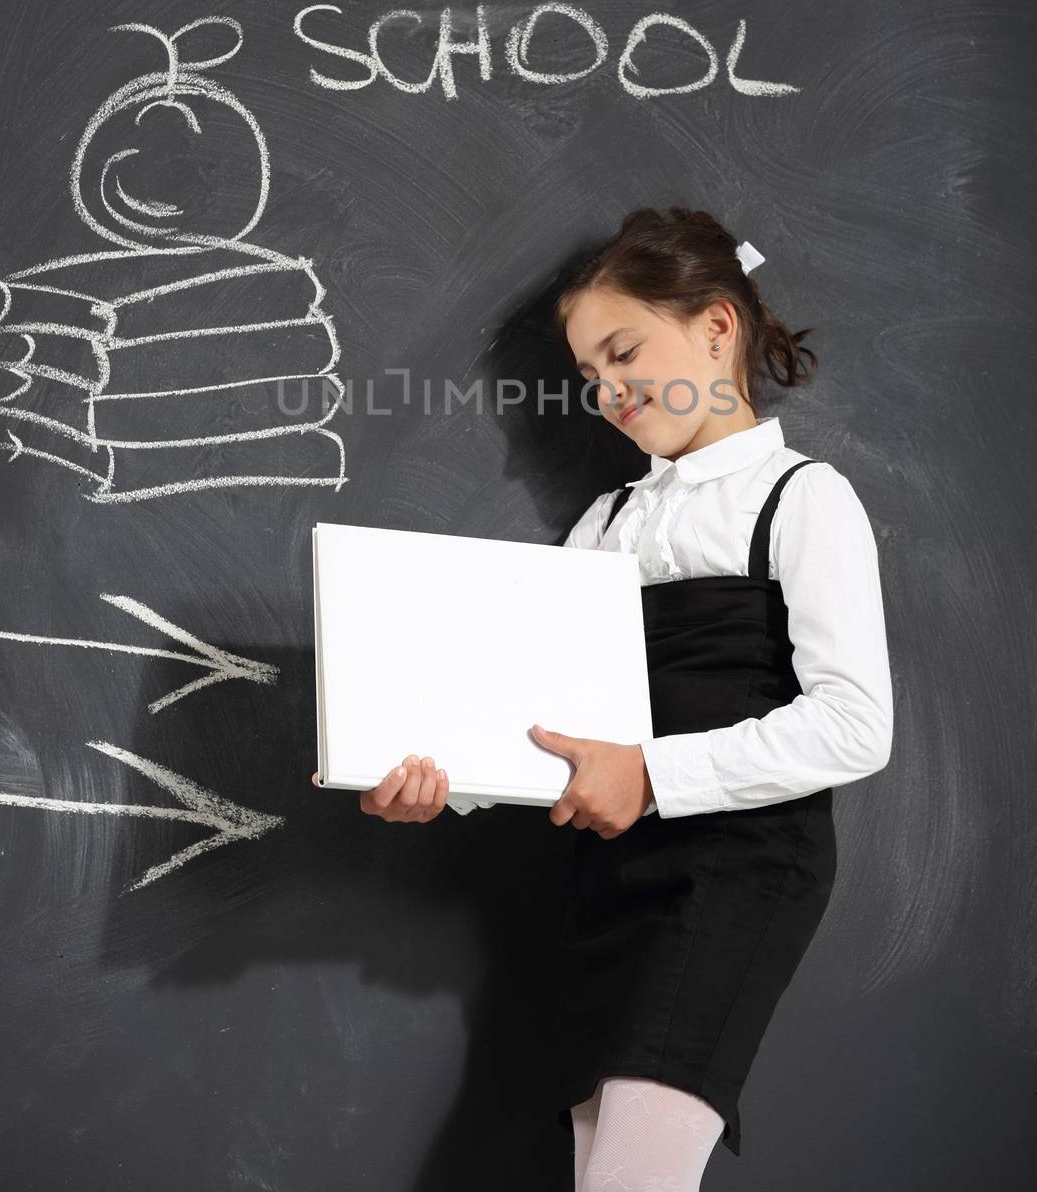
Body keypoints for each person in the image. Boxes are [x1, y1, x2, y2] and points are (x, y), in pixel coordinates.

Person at [315, 205, 894, 1190]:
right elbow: (535, 711)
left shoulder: (801, 499)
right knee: (604, 1168)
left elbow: (853, 726)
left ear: (716, 326)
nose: (608, 393)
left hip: (735, 869)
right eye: (588, 377)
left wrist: (650, 773)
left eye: (623, 354)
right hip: (610, 877)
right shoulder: (606, 521)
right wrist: (428, 780)